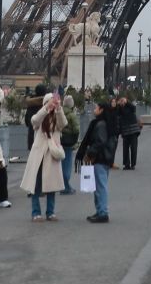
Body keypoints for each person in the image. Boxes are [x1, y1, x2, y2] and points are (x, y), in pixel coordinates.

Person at [21, 91, 65, 221]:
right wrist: (46, 108)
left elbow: (63, 124)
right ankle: (36, 212)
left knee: (52, 185)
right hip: (39, 153)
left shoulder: (57, 116)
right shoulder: (41, 117)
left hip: (52, 154)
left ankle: (50, 212)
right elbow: (34, 120)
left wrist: (59, 108)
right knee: (36, 185)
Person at [81, 94, 116, 222]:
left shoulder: (100, 124)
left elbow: (100, 142)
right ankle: (100, 210)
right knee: (99, 185)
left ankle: (102, 212)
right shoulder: (106, 123)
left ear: (101, 110)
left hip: (100, 158)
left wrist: (90, 153)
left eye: (96, 108)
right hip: (105, 158)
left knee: (100, 186)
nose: (94, 110)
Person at [117, 92, 142, 170]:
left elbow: (134, 109)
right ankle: (126, 164)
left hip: (133, 130)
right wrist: (118, 105)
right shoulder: (119, 108)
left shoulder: (130, 106)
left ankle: (133, 164)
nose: (122, 102)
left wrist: (127, 102)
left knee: (133, 148)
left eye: (123, 100)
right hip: (125, 130)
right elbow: (117, 114)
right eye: (120, 100)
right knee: (125, 148)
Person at [59, 96, 79, 193]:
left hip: (60, 141)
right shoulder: (72, 115)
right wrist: (75, 141)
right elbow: (76, 129)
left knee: (62, 164)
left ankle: (63, 185)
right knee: (67, 165)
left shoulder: (59, 112)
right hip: (69, 142)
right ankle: (66, 187)